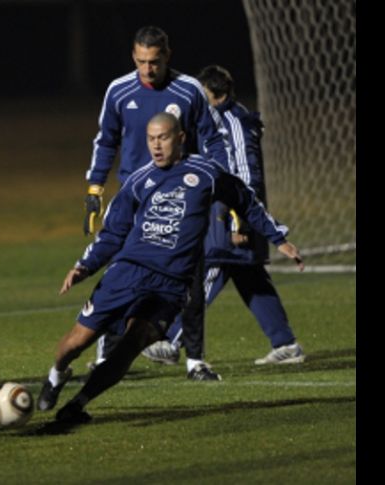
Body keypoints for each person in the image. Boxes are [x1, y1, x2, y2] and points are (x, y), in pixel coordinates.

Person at [38, 113, 303, 423]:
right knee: (76, 342)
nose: (156, 146)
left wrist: (278, 238)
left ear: (180, 138)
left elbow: (246, 201)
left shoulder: (206, 173)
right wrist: (84, 266)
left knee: (131, 346)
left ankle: (78, 404)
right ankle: (56, 376)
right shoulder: (138, 180)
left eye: (162, 138)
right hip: (128, 272)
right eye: (151, 139)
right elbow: (112, 232)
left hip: (171, 285)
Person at [83, 25, 232, 379]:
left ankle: (195, 361)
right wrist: (94, 188)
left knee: (191, 279)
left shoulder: (189, 90)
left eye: (153, 62)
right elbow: (105, 141)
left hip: (181, 196)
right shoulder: (119, 91)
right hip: (134, 198)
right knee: (120, 274)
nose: (147, 69)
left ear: (167, 56)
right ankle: (107, 354)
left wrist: (221, 191)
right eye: (140, 62)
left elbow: (214, 141)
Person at [146, 65, 305, 365]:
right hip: (224, 211)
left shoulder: (235, 123)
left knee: (211, 269)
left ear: (217, 96)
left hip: (233, 215)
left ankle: (173, 340)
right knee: (251, 278)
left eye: (202, 96)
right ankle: (286, 344)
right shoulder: (215, 121)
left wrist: (238, 218)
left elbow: (245, 176)